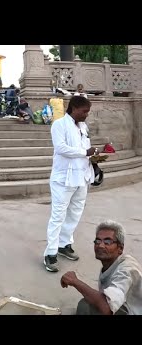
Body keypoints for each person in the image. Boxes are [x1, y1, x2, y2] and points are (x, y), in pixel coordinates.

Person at [44, 95, 98, 272]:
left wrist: (95, 161)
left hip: (82, 177)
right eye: (84, 111)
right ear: (74, 108)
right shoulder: (59, 125)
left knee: (75, 213)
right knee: (58, 216)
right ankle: (50, 253)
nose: (86, 115)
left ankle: (64, 244)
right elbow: (61, 148)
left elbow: (87, 150)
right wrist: (85, 152)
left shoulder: (83, 126)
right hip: (63, 179)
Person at [61, 220, 142, 315]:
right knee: (88, 303)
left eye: (107, 242)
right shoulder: (111, 263)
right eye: (97, 241)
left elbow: (107, 307)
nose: (100, 245)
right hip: (125, 306)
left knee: (86, 306)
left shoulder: (127, 270)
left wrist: (75, 282)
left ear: (120, 248)